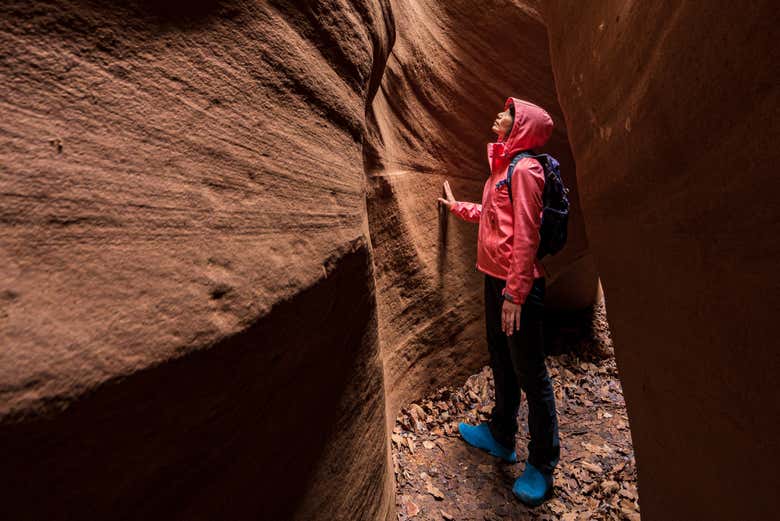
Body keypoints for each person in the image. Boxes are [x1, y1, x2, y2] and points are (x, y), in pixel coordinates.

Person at [437, 97, 560, 506]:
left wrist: (515, 294)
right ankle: (502, 435)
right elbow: (493, 215)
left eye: (507, 112)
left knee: (531, 371)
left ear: (520, 124)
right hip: (496, 281)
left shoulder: (526, 170)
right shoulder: (503, 169)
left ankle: (542, 464)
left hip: (518, 287)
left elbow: (526, 236)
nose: (498, 115)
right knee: (502, 358)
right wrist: (457, 208)